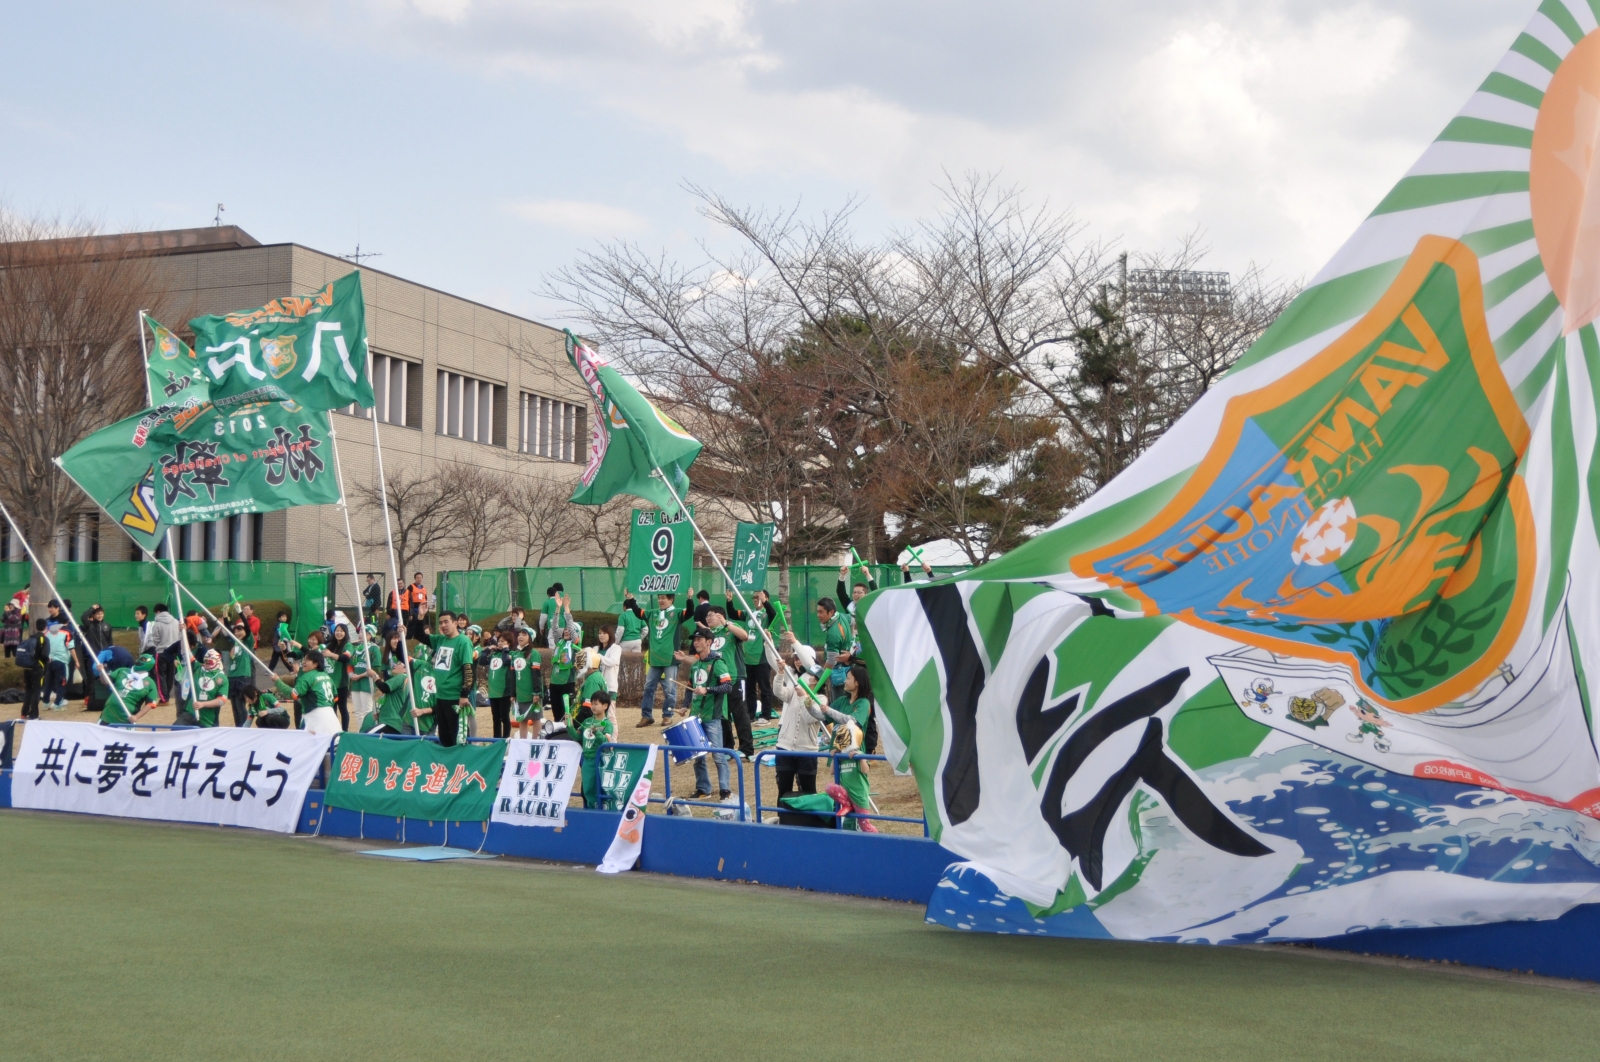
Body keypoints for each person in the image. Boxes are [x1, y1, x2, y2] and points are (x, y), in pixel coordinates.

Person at [680, 626, 734, 800]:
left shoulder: (718, 663)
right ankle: (703, 789)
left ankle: (725, 790)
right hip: (695, 716)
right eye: (694, 640)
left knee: (718, 755)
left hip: (712, 716)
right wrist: (685, 705)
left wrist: (708, 689)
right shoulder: (696, 665)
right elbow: (689, 687)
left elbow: (728, 686)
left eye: (699, 639)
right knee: (698, 755)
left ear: (709, 642)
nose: (695, 643)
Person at [769, 640, 827, 799]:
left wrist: (803, 696)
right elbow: (779, 692)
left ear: (817, 679)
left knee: (808, 793)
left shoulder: (821, 699)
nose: (807, 678)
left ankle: (807, 817)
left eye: (811, 676)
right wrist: (780, 673)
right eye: (795, 658)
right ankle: (783, 814)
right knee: (783, 791)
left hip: (807, 750)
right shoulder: (794, 685)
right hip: (784, 747)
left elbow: (809, 717)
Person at [413, 610, 475, 747]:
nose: (443, 625)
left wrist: (464, 694)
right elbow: (418, 635)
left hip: (455, 698)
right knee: (444, 738)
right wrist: (421, 617)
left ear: (455, 623)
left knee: (458, 738)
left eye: (446, 622)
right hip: (440, 696)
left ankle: (463, 761)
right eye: (440, 623)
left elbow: (468, 669)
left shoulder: (463, 641)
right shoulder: (440, 640)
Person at [727, 588, 786, 721]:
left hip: (762, 656)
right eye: (754, 597)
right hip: (747, 656)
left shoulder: (767, 613)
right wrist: (729, 601)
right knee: (749, 688)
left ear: (766, 598)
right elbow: (733, 614)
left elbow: (773, 614)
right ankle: (751, 714)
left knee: (764, 687)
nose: (755, 600)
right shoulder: (749, 613)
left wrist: (765, 602)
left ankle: (766, 714)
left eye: (758, 597)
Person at [704, 607, 754, 758]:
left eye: (711, 615)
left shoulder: (731, 627)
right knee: (723, 715)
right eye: (707, 615)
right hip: (718, 680)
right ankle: (728, 748)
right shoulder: (709, 635)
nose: (708, 618)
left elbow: (745, 636)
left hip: (735, 677)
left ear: (720, 616)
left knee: (740, 713)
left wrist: (726, 624)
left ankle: (746, 749)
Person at [637, 593, 679, 727]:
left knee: (670, 689)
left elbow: (689, 612)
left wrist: (690, 598)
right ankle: (646, 716)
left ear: (671, 600)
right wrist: (630, 598)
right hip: (654, 659)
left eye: (663, 598)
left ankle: (667, 716)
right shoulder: (652, 613)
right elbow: (638, 612)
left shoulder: (676, 613)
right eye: (659, 598)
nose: (660, 600)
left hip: (670, 659)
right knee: (648, 687)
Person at [275, 650, 341, 736]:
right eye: (304, 659)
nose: (303, 662)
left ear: (315, 664)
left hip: (314, 718)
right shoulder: (327, 676)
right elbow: (336, 698)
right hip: (331, 717)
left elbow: (293, 695)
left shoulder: (306, 677)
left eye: (307, 660)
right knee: (333, 742)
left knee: (310, 742)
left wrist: (278, 681)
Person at [576, 689, 615, 808]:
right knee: (587, 789)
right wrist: (569, 726)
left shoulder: (607, 724)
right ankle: (590, 810)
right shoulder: (587, 721)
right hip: (586, 761)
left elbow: (606, 742)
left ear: (605, 706)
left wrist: (597, 732)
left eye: (596, 704)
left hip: (600, 761)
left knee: (599, 789)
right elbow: (577, 736)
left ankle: (600, 811)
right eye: (592, 703)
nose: (593, 706)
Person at [96, 653, 159, 726]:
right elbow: (106, 681)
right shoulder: (122, 671)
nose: (139, 661)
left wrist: (136, 717)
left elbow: (150, 703)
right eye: (140, 659)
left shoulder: (150, 683)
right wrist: (102, 672)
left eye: (143, 660)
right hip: (107, 716)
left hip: (126, 720)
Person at [76, 604, 114, 715]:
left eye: (101, 613)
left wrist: (111, 652)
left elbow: (110, 641)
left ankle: (107, 698)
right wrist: (92, 608)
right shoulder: (90, 625)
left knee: (106, 676)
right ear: (93, 615)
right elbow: (83, 617)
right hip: (93, 655)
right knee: (92, 677)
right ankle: (89, 699)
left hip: (105, 655)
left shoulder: (107, 626)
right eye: (97, 614)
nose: (100, 615)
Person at [142, 602, 183, 704]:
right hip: (173, 653)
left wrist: (159, 645)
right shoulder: (176, 622)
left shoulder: (157, 624)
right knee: (170, 675)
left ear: (158, 612)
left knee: (161, 675)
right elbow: (179, 636)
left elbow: (155, 639)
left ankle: (164, 698)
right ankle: (166, 696)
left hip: (161, 652)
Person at [509, 627, 544, 739]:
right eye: (519, 634)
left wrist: (536, 693)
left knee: (536, 718)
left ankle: (535, 743)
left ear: (530, 638)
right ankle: (523, 743)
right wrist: (513, 694)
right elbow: (513, 676)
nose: (520, 637)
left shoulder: (534, 654)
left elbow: (536, 675)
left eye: (524, 634)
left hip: (532, 693)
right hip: (520, 693)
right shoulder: (515, 654)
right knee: (522, 719)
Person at [347, 625, 380, 733]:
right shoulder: (357, 648)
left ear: (370, 635)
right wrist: (351, 674)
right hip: (356, 684)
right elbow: (350, 664)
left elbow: (376, 668)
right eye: (360, 632)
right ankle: (361, 732)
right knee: (357, 711)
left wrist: (361, 675)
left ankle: (368, 732)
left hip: (367, 683)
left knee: (367, 711)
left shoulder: (374, 648)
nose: (360, 634)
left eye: (363, 632)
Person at [483, 629, 513, 739]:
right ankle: (496, 739)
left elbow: (506, 662)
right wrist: (488, 649)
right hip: (493, 691)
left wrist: (505, 650)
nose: (500, 643)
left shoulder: (510, 654)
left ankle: (505, 739)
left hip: (504, 691)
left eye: (503, 641)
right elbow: (482, 661)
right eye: (499, 641)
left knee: (504, 717)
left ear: (509, 643)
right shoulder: (494, 654)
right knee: (495, 718)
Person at [224, 621, 255, 727]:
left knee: (240, 704)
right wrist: (225, 617)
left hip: (243, 676)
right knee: (234, 705)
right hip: (232, 676)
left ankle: (244, 728)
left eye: (240, 630)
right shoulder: (234, 643)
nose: (237, 633)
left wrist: (240, 613)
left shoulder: (247, 642)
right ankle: (238, 727)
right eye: (235, 631)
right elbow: (228, 628)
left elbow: (248, 629)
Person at [189, 649, 230, 728]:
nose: (208, 661)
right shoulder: (198, 667)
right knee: (176, 730)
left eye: (211, 659)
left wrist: (203, 704)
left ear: (217, 660)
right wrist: (183, 640)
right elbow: (187, 654)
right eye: (206, 659)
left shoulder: (222, 678)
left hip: (208, 721)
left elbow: (221, 701)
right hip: (190, 713)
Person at [547, 625, 577, 731]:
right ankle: (557, 733)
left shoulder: (575, 645)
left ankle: (567, 734)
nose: (566, 631)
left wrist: (568, 615)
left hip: (567, 683)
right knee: (556, 713)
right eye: (565, 629)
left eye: (569, 630)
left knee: (566, 714)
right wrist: (557, 614)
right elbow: (554, 629)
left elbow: (574, 634)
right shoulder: (559, 643)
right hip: (554, 682)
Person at [17, 618, 47, 720]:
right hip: (37, 668)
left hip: (27, 667)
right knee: (36, 691)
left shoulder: (30, 638)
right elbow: (44, 655)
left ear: (36, 627)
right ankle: (34, 714)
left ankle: (24, 713)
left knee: (28, 690)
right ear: (45, 627)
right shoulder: (43, 639)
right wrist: (47, 660)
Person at [328, 623, 354, 731]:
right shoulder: (331, 645)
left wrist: (330, 654)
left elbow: (345, 658)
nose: (339, 633)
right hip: (329, 683)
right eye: (337, 630)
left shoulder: (348, 645)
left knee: (342, 708)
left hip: (341, 683)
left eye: (341, 631)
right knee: (331, 708)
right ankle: (334, 730)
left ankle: (344, 731)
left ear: (346, 633)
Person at [42, 621, 71, 709]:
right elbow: (71, 647)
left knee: (49, 682)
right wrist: (77, 661)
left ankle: (46, 703)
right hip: (61, 660)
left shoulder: (47, 634)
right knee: (61, 682)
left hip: (50, 661)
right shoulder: (65, 633)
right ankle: (58, 703)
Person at [403, 573, 430, 643]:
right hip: (414, 609)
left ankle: (418, 638)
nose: (419, 579)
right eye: (417, 577)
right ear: (415, 578)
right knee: (412, 624)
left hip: (422, 609)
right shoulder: (411, 587)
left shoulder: (424, 588)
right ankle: (408, 639)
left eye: (420, 577)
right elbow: (407, 598)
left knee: (421, 624)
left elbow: (425, 598)